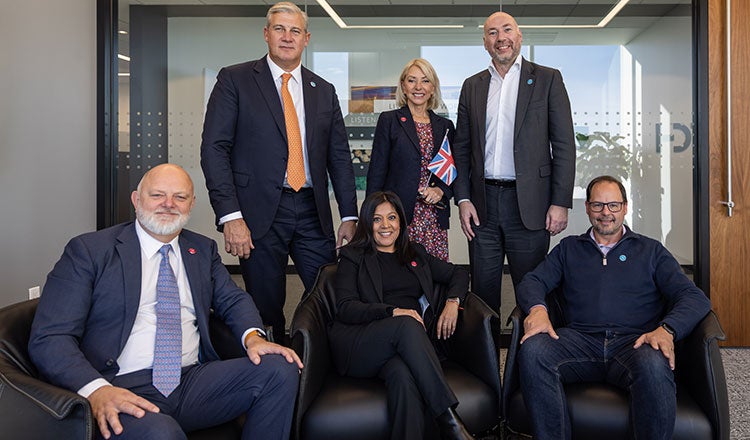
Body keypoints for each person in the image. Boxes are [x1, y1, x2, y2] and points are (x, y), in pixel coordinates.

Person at [28, 164, 303, 440]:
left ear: (191, 205)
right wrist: (96, 389)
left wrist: (254, 338)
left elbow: (233, 300)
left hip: (192, 380)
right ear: (137, 200)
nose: (168, 204)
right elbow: (50, 337)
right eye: (157, 195)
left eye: (180, 197)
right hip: (120, 385)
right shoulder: (89, 251)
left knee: (280, 368)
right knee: (161, 432)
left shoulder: (203, 250)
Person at [200, 1, 357, 343]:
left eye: (295, 31)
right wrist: (230, 216)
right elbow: (214, 149)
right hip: (256, 214)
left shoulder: (323, 90)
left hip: (312, 211)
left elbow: (340, 158)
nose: (287, 37)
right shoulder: (235, 80)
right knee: (265, 305)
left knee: (326, 294)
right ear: (266, 34)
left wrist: (349, 215)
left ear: (306, 38)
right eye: (280, 29)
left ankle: (309, 361)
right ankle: (276, 376)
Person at [516, 175, 712, 440]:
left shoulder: (650, 250)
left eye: (613, 205)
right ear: (587, 208)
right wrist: (538, 309)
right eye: (597, 205)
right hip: (579, 341)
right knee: (534, 350)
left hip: (634, 342)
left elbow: (694, 297)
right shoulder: (569, 248)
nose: (605, 213)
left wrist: (667, 329)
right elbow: (533, 281)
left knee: (655, 364)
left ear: (625, 207)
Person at [452, 11, 576, 312]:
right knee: (482, 291)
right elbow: (462, 148)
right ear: (485, 43)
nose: (501, 38)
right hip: (483, 206)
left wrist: (560, 202)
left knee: (531, 291)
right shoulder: (472, 86)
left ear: (519, 37)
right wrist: (463, 199)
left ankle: (528, 359)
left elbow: (563, 145)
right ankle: (485, 359)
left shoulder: (547, 79)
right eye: (493, 33)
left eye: (507, 30)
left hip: (531, 205)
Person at [328, 191, 473, 440]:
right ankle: (449, 421)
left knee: (403, 377)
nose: (386, 226)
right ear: (367, 223)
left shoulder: (415, 253)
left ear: (401, 222)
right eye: (377, 219)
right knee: (405, 323)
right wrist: (393, 312)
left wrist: (452, 302)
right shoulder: (353, 257)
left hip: (404, 348)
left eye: (392, 218)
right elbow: (345, 307)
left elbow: (458, 273)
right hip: (361, 343)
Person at [367, 58, 455, 261]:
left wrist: (441, 190)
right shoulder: (389, 121)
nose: (418, 87)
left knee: (435, 276)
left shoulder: (445, 126)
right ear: (403, 86)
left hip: (434, 217)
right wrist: (371, 215)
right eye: (411, 80)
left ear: (433, 88)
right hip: (398, 216)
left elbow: (452, 170)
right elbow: (377, 171)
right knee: (399, 276)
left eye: (425, 81)